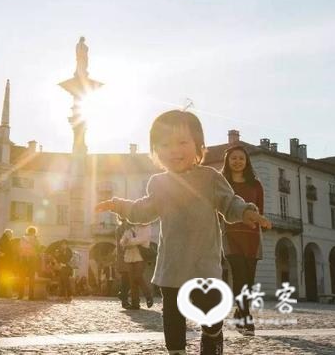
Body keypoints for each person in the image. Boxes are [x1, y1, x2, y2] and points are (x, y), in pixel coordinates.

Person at [95, 110, 271, 355]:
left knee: (211, 317)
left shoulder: (210, 178)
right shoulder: (159, 183)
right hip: (172, 266)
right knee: (173, 320)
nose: (174, 149)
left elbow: (229, 203)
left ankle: (212, 337)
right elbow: (142, 210)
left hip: (204, 266)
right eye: (164, 144)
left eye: (182, 142)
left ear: (199, 146)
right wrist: (118, 205)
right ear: (156, 151)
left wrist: (246, 212)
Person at [221, 145, 265, 336]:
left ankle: (240, 312)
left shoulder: (256, 185)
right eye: (233, 158)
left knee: (249, 280)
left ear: (246, 162)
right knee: (239, 276)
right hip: (231, 235)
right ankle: (246, 317)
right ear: (228, 161)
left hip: (252, 237)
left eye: (241, 158)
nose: (237, 161)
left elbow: (260, 211)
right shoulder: (222, 183)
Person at [120, 221, 153, 310]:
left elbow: (142, 239)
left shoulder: (146, 226)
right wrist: (126, 242)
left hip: (140, 256)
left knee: (138, 277)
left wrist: (129, 242)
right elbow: (122, 241)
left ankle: (148, 295)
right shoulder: (130, 227)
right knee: (132, 281)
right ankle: (135, 304)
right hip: (129, 256)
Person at [17, 226, 41, 300]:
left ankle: (20, 295)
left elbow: (19, 248)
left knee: (22, 277)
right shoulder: (35, 239)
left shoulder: (23, 238)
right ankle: (31, 296)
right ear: (34, 232)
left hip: (23, 258)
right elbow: (39, 248)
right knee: (31, 278)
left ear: (28, 231)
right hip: (32, 259)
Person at [115, 219, 131, 308]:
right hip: (125, 257)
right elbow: (124, 243)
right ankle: (124, 300)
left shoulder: (120, 228)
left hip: (123, 257)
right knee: (127, 279)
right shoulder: (124, 228)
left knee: (126, 279)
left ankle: (122, 295)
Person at [0, 229, 15, 297]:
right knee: (4, 278)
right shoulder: (5, 240)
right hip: (5, 263)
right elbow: (3, 252)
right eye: (11, 234)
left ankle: (1, 293)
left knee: (2, 278)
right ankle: (2, 294)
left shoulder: (3, 239)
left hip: (4, 262)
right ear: (8, 234)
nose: (11, 236)